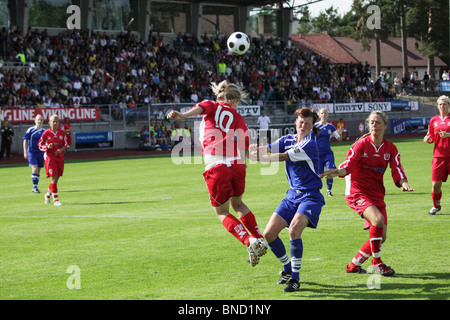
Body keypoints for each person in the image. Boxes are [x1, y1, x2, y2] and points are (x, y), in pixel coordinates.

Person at [167, 80, 268, 267]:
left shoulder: (212, 105)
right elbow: (245, 139)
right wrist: (245, 158)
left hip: (216, 164)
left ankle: (250, 241)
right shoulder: (237, 116)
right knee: (238, 203)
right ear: (233, 100)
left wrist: (182, 116)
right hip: (237, 164)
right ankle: (259, 237)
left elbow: (199, 109)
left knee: (222, 211)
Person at [320, 111, 415, 276]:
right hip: (357, 191)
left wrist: (403, 183)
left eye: (377, 122)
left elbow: (397, 168)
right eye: (371, 122)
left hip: (377, 193)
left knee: (381, 236)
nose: (374, 125)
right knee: (378, 220)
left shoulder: (390, 148)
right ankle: (377, 263)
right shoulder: (361, 144)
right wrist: (337, 171)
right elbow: (348, 165)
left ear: (385, 126)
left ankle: (353, 265)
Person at [249, 107, 325, 292]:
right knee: (269, 234)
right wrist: (252, 148)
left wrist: (256, 157)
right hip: (292, 195)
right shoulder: (287, 139)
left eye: (307, 123)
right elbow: (268, 147)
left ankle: (295, 279)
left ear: (312, 125)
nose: (303, 126)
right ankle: (287, 267)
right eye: (300, 122)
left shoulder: (309, 144)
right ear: (295, 122)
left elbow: (282, 156)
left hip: (310, 196)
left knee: (293, 231)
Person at [423, 95, 450, 215]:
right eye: (440, 104)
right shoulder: (433, 120)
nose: (442, 106)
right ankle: (436, 206)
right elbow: (431, 137)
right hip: (438, 156)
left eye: (444, 104)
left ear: (448, 105)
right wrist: (427, 139)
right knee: (435, 185)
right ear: (437, 106)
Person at [38, 114, 69, 206]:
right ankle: (56, 200)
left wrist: (61, 150)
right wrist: (47, 146)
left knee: (56, 178)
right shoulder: (46, 133)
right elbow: (40, 145)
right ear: (49, 122)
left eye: (57, 121)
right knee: (54, 178)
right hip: (50, 158)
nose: (55, 123)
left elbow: (66, 144)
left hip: (59, 157)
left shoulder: (62, 133)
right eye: (53, 121)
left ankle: (47, 195)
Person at [315, 108, 340, 196]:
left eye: (325, 113)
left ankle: (329, 191)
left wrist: (339, 133)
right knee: (319, 175)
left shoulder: (331, 127)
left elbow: (338, 138)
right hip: (318, 154)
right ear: (319, 115)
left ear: (327, 115)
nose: (324, 115)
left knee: (330, 171)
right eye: (322, 113)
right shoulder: (315, 126)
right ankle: (316, 191)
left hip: (328, 153)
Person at [23, 114, 46, 193]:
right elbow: (25, 140)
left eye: (41, 120)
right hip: (32, 152)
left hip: (41, 153)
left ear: (42, 121)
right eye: (38, 119)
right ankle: (34, 187)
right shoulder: (30, 130)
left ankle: (35, 186)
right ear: (35, 121)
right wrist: (25, 152)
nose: (39, 121)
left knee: (38, 170)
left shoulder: (44, 131)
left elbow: (46, 142)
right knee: (35, 168)